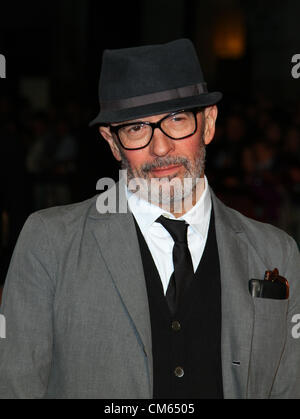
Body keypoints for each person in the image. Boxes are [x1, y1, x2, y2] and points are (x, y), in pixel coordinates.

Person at [0, 39, 299, 399]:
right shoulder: (49, 242)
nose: (160, 148)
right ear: (113, 143)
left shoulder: (276, 252)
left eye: (176, 120)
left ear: (208, 124)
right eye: (137, 128)